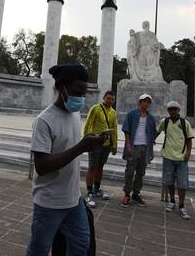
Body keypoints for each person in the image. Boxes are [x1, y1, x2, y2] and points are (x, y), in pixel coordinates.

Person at [27, 63, 106, 256]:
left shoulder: (75, 114)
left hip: (73, 198)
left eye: (84, 92)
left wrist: (90, 144)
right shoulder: (44, 121)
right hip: (49, 202)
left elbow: (67, 149)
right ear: (62, 88)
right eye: (77, 91)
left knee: (81, 244)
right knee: (39, 249)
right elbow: (42, 166)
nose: (81, 97)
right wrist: (80, 147)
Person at [120, 93, 158, 207]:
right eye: (144, 101)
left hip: (145, 148)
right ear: (140, 102)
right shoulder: (131, 115)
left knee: (141, 172)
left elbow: (151, 135)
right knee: (130, 171)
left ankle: (136, 194)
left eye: (148, 101)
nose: (146, 103)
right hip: (133, 146)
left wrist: (151, 151)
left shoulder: (151, 118)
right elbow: (126, 131)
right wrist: (128, 145)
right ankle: (127, 194)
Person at [159, 101, 195, 220]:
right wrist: (151, 141)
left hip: (181, 158)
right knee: (169, 181)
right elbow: (157, 131)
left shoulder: (185, 123)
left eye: (175, 109)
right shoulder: (165, 122)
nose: (172, 111)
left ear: (178, 110)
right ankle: (172, 201)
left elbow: (189, 139)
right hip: (168, 156)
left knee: (182, 183)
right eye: (170, 109)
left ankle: (182, 205)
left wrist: (188, 152)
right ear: (168, 111)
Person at [83, 91, 118, 208]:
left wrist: (115, 145)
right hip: (95, 143)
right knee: (92, 167)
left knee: (100, 167)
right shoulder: (96, 108)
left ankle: (97, 189)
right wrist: (86, 140)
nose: (110, 101)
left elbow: (115, 129)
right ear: (104, 98)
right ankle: (89, 191)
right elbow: (88, 124)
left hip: (107, 144)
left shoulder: (113, 112)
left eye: (112, 99)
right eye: (108, 98)